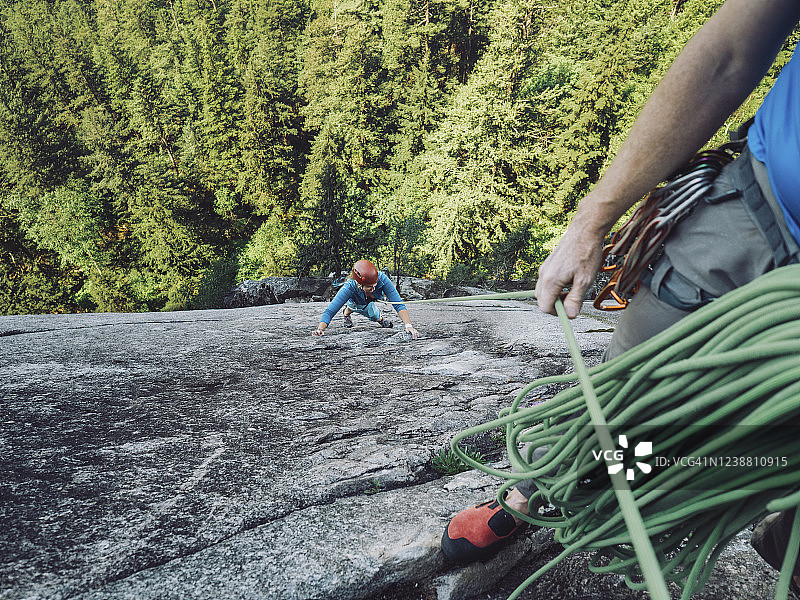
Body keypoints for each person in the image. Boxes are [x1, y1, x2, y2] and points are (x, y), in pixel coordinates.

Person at [441, 0, 800, 587]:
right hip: (753, 215)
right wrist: (593, 221)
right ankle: (541, 489)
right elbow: (729, 53)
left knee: (757, 449)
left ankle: (787, 538)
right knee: (627, 393)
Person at [312, 259, 420, 339]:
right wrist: (320, 329)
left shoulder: (382, 278)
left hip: (368, 302)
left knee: (374, 314)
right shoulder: (350, 286)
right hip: (356, 301)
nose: (374, 288)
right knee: (354, 307)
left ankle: (380, 320)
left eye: (375, 285)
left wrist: (408, 326)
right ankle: (346, 313)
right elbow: (330, 310)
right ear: (359, 284)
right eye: (370, 287)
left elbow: (398, 304)